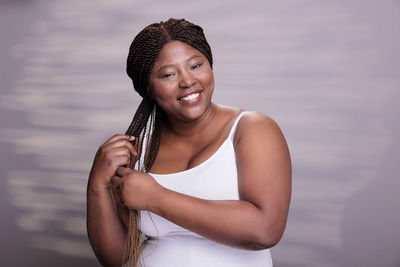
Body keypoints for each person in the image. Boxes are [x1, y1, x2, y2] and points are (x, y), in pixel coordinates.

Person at [87, 18, 291, 267]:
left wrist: (157, 198)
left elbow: (265, 229)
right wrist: (97, 186)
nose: (187, 81)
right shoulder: (138, 153)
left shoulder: (251, 129)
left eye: (195, 65)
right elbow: (119, 259)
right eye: (168, 74)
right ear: (148, 88)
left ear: (210, 65)